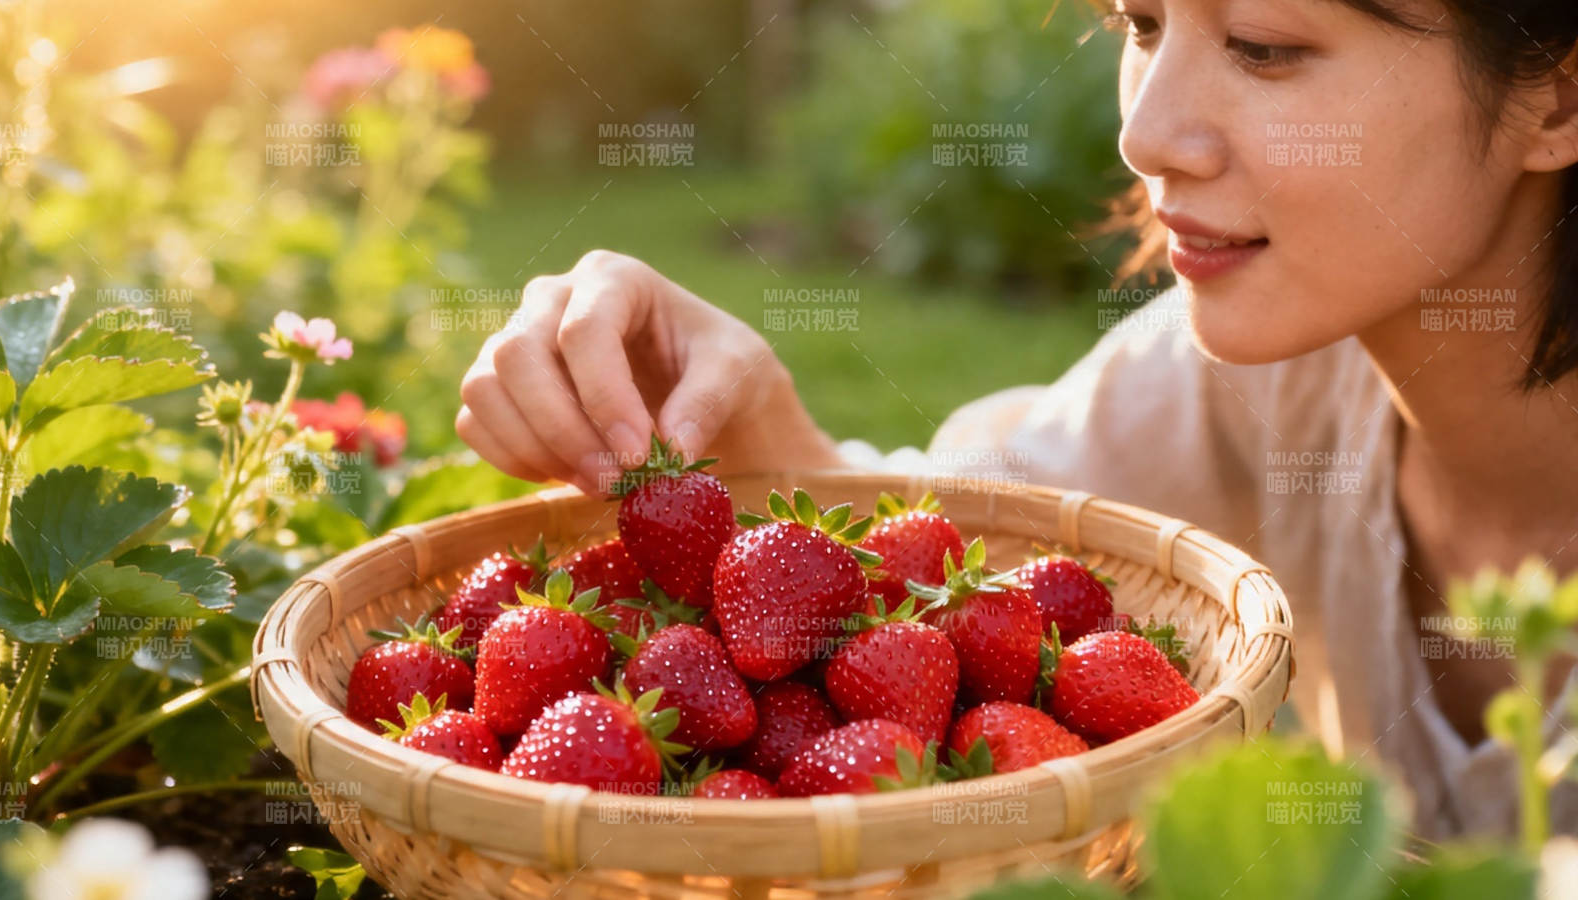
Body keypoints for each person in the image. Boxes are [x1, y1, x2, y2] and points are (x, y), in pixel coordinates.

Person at [456, 0, 1578, 840]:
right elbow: (966, 555)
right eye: (1141, 20)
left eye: (1265, 46)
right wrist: (749, 421)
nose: (1145, 132)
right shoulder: (1263, 384)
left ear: (1558, 95)